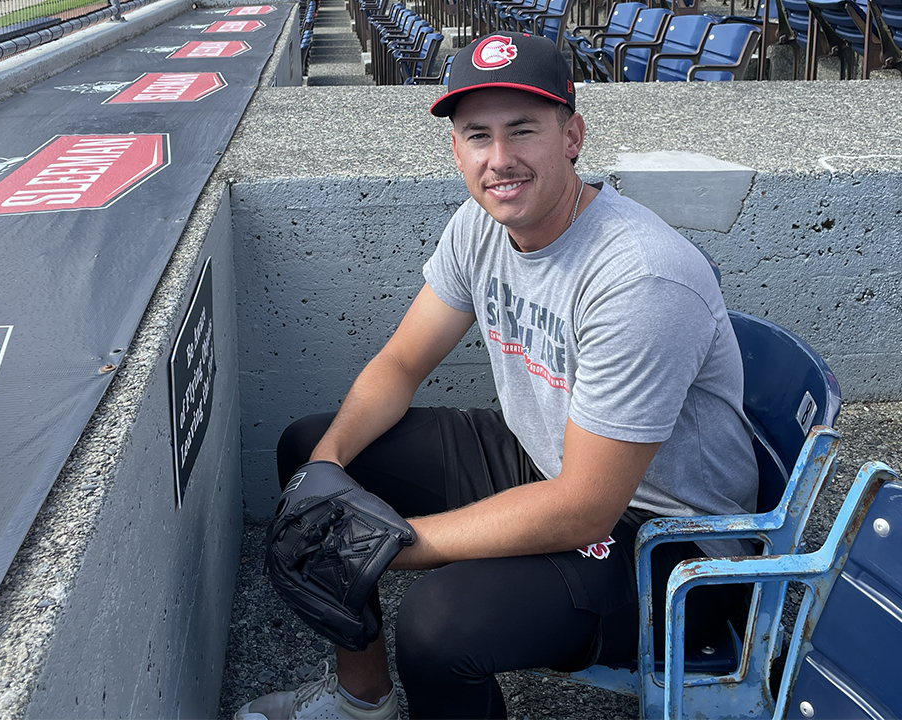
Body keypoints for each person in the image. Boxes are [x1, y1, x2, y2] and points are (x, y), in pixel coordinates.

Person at [236, 30, 758, 720]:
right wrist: (324, 480)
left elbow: (585, 508)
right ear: (455, 149)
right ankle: (361, 698)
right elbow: (400, 363)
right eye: (477, 135)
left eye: (524, 131)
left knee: (438, 627)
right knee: (310, 450)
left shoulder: (640, 276)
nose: (500, 159)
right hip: (549, 454)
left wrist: (394, 547)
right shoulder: (480, 225)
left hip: (668, 540)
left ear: (572, 135)